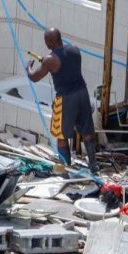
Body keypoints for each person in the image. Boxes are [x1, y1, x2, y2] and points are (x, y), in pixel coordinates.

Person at [26, 28, 99, 173]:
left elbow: (34, 77)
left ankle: (66, 169)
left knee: (61, 135)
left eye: (46, 40)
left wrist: (28, 67)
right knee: (87, 131)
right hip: (82, 94)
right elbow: (66, 65)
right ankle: (93, 165)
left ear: (51, 41)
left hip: (66, 99)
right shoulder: (75, 50)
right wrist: (47, 63)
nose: (45, 42)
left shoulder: (49, 60)